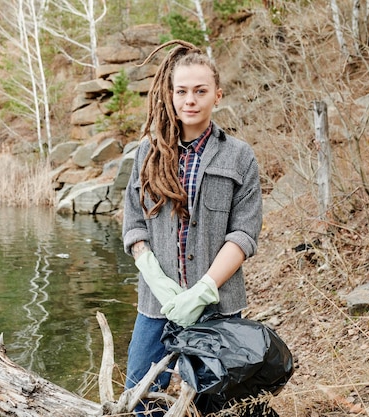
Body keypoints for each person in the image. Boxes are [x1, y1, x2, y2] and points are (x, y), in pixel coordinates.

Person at [122, 40, 263, 416]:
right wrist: (157, 280)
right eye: (181, 91)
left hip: (219, 306)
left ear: (217, 94)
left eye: (200, 91)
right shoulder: (147, 152)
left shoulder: (239, 155)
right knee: (140, 399)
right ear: (170, 96)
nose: (190, 100)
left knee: (217, 404)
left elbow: (244, 234)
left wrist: (204, 289)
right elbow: (133, 223)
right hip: (156, 306)